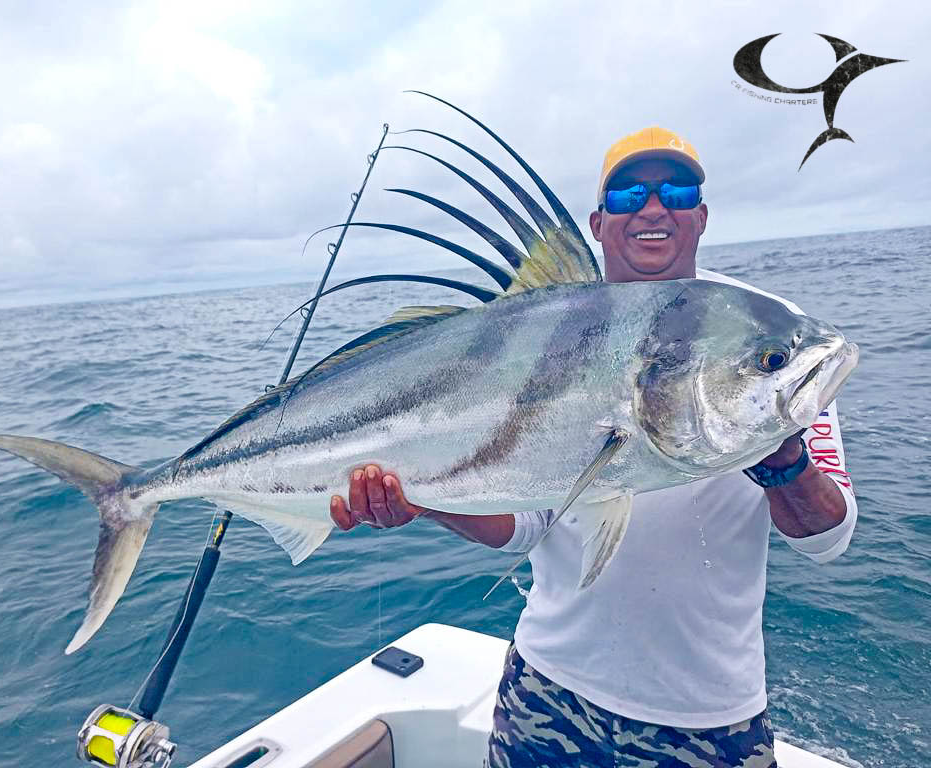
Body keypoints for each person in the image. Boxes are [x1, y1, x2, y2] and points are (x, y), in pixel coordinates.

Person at [328, 127, 858, 767]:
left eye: (677, 189)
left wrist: (782, 459)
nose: (654, 207)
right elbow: (524, 524)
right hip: (545, 692)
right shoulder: (549, 333)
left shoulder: (765, 337)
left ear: (702, 216)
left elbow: (830, 537)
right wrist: (422, 497)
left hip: (705, 719)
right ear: (599, 223)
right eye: (631, 191)